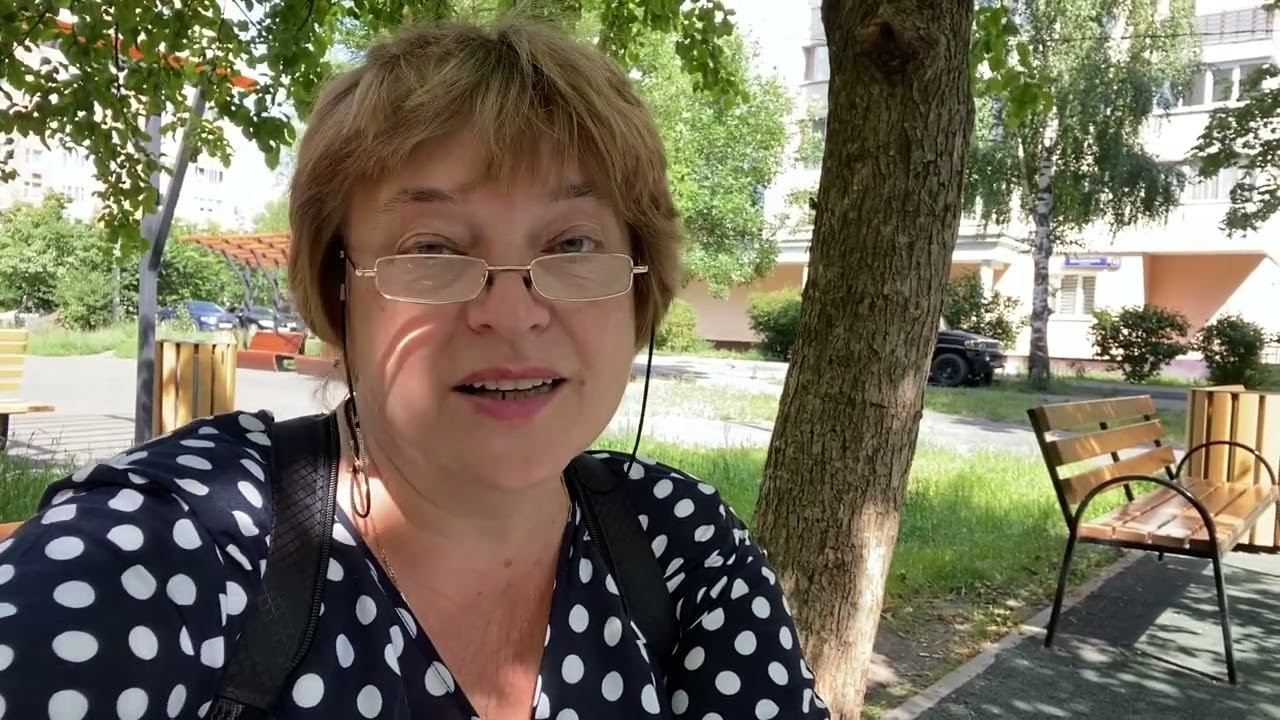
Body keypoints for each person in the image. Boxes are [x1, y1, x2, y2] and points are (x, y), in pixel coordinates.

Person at [0, 16, 830, 720]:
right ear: (339, 289)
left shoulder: (682, 544)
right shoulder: (184, 540)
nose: (512, 312)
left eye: (572, 242)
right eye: (432, 248)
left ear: (637, 283)